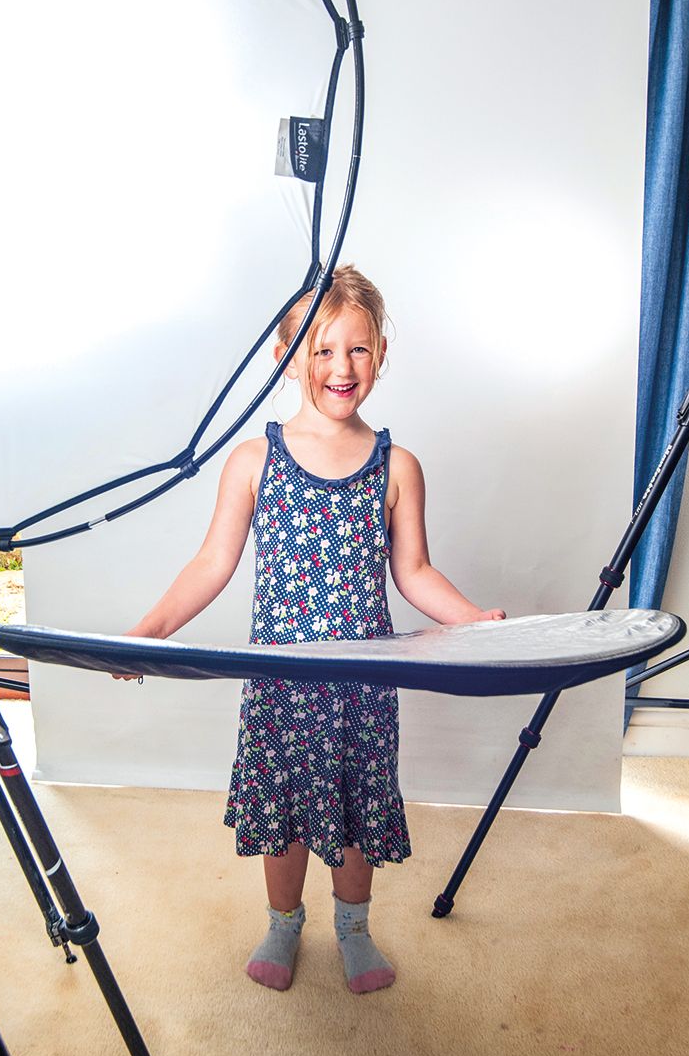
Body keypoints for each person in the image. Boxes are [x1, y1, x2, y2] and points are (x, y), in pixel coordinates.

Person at [124, 264, 503, 994]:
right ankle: (284, 921)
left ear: (381, 356)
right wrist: (151, 630)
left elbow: (415, 571)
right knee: (286, 811)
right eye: (321, 350)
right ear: (286, 355)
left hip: (364, 686)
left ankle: (354, 928)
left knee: (358, 811)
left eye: (358, 350)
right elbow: (211, 563)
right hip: (283, 683)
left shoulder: (398, 466)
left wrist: (474, 622)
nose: (340, 367)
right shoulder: (253, 461)